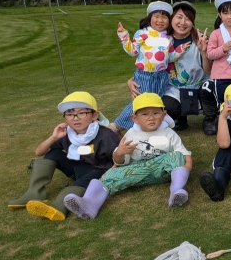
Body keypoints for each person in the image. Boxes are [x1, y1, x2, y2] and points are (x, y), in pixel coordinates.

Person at [64, 93, 192, 220]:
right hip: (137, 172)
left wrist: (185, 170)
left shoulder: (169, 133)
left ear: (163, 115)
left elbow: (184, 155)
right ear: (134, 118)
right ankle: (89, 204)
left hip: (163, 171)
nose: (151, 118)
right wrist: (120, 152)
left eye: (155, 113)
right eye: (144, 114)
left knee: (177, 156)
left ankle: (176, 191)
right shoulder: (131, 134)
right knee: (109, 175)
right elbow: (119, 161)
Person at [8, 92, 120, 221]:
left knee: (88, 178)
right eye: (70, 114)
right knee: (54, 152)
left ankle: (59, 207)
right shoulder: (66, 133)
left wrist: (106, 176)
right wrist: (53, 137)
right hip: (76, 168)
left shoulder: (106, 135)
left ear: (94, 115)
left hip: (98, 171)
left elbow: (119, 160)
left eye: (82, 113)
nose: (75, 118)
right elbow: (39, 152)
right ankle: (35, 192)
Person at [127, 1, 215, 134]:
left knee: (210, 89)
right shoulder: (163, 40)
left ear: (193, 22)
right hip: (174, 87)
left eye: (188, 18)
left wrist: (203, 52)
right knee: (168, 106)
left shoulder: (201, 39)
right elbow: (149, 64)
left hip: (199, 85)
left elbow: (210, 71)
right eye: (179, 17)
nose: (183, 22)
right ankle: (180, 117)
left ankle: (210, 118)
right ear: (171, 19)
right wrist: (131, 80)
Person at [111, 1, 191, 132]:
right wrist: (124, 37)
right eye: (156, 16)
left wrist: (180, 50)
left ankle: (150, 127)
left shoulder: (168, 38)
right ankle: (117, 125)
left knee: (154, 103)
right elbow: (133, 51)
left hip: (161, 77)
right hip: (145, 75)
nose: (160, 20)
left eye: (164, 17)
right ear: (150, 18)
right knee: (140, 101)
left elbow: (169, 57)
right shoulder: (142, 34)